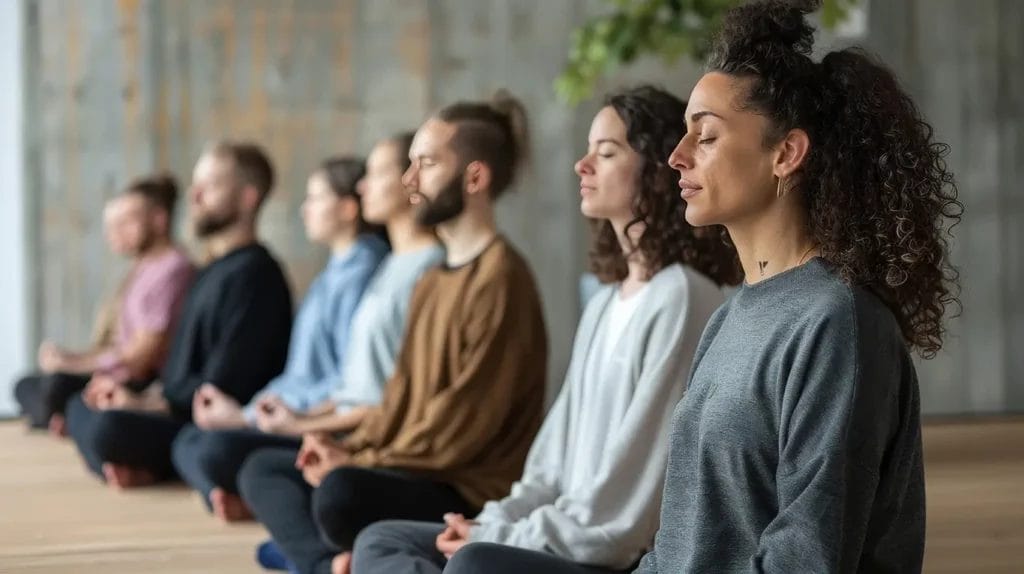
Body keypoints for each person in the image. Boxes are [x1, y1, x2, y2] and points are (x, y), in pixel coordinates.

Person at [350, 86, 743, 574]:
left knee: (472, 565)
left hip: (610, 559)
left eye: (606, 152)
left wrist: (498, 538)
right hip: (552, 534)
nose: (583, 166)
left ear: (659, 170)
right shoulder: (604, 303)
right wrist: (493, 523)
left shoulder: (682, 297)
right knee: (383, 539)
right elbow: (548, 467)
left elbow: (622, 521)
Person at [632, 1, 961, 572]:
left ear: (786, 154)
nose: (676, 156)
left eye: (705, 137)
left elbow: (807, 557)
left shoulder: (838, 323)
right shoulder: (729, 319)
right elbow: (678, 545)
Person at [237, 92, 548, 574]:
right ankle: (329, 562)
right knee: (264, 468)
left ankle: (323, 552)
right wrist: (346, 450)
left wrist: (357, 463)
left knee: (340, 494)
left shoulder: (501, 277)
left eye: (424, 164)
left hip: (462, 487)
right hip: (406, 463)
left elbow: (460, 427)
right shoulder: (433, 278)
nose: (409, 181)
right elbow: (400, 397)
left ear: (474, 177)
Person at [171, 137, 442, 522]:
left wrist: (283, 421)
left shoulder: (375, 271)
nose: (304, 208)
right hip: (315, 416)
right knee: (193, 444)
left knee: (221, 453)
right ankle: (261, 503)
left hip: (349, 431)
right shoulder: (346, 272)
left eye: (316, 198)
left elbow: (359, 388)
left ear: (348, 210)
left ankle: (275, 513)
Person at [65, 141, 294, 489]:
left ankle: (148, 465)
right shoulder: (210, 270)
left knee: (107, 429)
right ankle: (144, 466)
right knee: (80, 407)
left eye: (211, 186)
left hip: (206, 420)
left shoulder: (256, 275)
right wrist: (138, 398)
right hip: (173, 409)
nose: (194, 196)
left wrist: (145, 404)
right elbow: (178, 371)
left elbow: (222, 387)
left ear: (248, 198)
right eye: (195, 184)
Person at [14, 174, 194, 436]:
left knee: (56, 387)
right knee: (24, 385)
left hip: (141, 383)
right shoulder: (141, 268)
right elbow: (116, 346)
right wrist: (68, 357)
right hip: (117, 372)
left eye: (126, 222)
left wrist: (71, 365)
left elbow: (140, 358)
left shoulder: (173, 270)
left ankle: (63, 415)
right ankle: (64, 415)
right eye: (111, 226)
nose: (114, 234)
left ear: (159, 219)